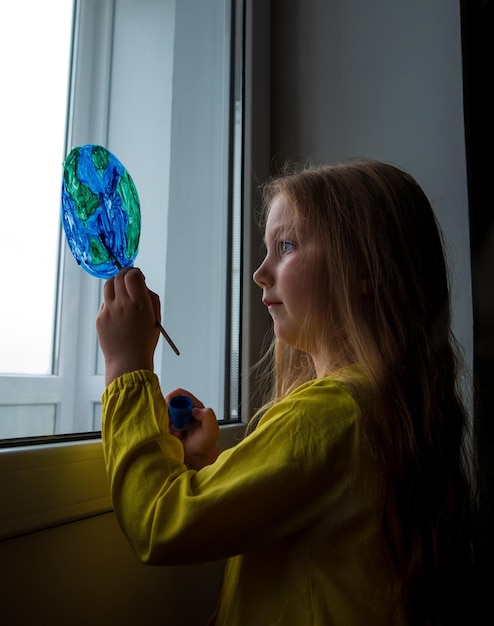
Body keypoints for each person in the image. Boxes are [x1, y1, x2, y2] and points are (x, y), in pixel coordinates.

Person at [96, 159, 473, 625]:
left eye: (286, 246)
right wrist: (210, 468)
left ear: (364, 269)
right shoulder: (375, 406)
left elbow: (158, 522)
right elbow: (308, 536)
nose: (259, 272)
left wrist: (126, 367)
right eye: (266, 249)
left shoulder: (332, 414)